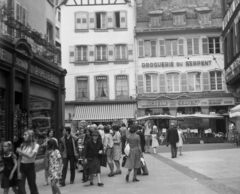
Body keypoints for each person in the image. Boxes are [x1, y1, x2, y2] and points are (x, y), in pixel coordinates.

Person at [16, 130, 39, 194]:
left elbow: (30, 156)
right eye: (24, 135)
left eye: (25, 135)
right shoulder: (22, 145)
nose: (23, 136)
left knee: (32, 186)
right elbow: (19, 159)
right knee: (20, 187)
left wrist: (20, 152)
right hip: (22, 167)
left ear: (30, 136)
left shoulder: (36, 145)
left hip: (30, 167)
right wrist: (18, 172)